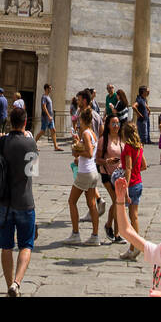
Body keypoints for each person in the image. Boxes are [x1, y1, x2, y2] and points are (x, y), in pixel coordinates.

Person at [0, 105, 38, 297]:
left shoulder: (0, 143)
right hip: (25, 201)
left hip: (4, 202)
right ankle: (16, 283)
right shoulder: (30, 144)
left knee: (6, 246)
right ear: (25, 122)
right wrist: (30, 140)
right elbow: (33, 172)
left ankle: (8, 283)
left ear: (10, 122)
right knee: (26, 245)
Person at [67, 108, 101, 245]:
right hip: (92, 171)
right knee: (92, 204)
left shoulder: (86, 133)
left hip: (85, 172)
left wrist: (77, 151)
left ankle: (75, 234)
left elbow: (89, 152)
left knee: (71, 201)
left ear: (82, 120)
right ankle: (95, 236)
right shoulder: (92, 133)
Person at [117, 120, 145, 261]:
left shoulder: (128, 147)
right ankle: (135, 247)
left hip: (132, 184)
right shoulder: (139, 147)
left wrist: (126, 186)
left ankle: (134, 247)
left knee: (127, 217)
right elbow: (143, 166)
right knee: (134, 216)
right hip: (139, 182)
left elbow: (127, 168)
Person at [96, 111, 124, 241]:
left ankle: (116, 234)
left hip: (119, 174)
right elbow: (97, 159)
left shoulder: (121, 138)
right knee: (116, 201)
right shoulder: (103, 140)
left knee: (118, 203)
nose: (116, 125)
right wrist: (107, 161)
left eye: (117, 123)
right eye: (113, 123)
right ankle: (109, 226)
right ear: (108, 125)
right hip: (106, 173)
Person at [36, 83, 59, 151]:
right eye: (50, 88)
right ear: (46, 89)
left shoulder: (48, 97)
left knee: (53, 130)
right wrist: (48, 115)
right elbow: (44, 106)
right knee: (42, 131)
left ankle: (56, 146)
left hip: (50, 117)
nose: (51, 89)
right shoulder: (44, 97)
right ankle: (33, 144)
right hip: (46, 117)